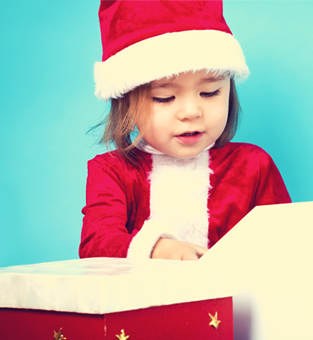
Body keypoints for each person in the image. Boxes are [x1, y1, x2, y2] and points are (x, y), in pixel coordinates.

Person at [79, 0, 291, 261]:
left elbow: (285, 245)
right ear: (127, 105)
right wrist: (157, 249)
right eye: (165, 97)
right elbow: (96, 243)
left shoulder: (253, 166)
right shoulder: (112, 172)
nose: (191, 112)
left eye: (210, 92)